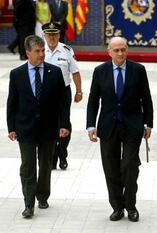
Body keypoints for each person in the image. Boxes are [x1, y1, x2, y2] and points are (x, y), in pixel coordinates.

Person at [86, 36, 153, 222]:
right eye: (116, 50)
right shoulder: (100, 71)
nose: (120, 53)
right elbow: (93, 101)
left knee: (129, 167)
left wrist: (149, 123)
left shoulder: (138, 70)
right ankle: (117, 207)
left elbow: (146, 98)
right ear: (109, 51)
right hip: (108, 127)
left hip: (133, 125)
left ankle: (131, 206)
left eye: (123, 49)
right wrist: (91, 125)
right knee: (111, 169)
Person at [6, 35, 70, 218]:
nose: (42, 54)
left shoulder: (55, 72)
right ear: (28, 53)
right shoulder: (16, 74)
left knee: (45, 163)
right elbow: (12, 102)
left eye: (43, 51)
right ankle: (28, 203)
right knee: (27, 165)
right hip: (25, 127)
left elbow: (63, 102)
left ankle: (42, 196)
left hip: (48, 128)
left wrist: (64, 124)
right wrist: (11, 127)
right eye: (37, 51)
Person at [43, 22, 82, 170]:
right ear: (44, 36)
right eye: (49, 34)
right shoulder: (40, 50)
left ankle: (62, 153)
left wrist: (79, 91)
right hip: (44, 93)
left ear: (59, 35)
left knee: (64, 123)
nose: (52, 37)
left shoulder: (67, 50)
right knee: (48, 124)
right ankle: (52, 155)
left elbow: (75, 72)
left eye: (54, 34)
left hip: (63, 92)